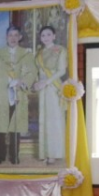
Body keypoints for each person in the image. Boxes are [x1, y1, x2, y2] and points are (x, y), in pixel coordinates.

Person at [0, 25, 37, 165]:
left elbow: (32, 72)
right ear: (6, 37)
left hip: (18, 93)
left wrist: (22, 81)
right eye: (10, 35)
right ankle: (0, 155)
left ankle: (14, 155)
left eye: (15, 35)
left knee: (16, 126)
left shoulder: (26, 54)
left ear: (20, 37)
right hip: (1, 94)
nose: (13, 38)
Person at [32, 25, 67, 165]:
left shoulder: (60, 50)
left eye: (48, 34)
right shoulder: (39, 53)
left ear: (54, 36)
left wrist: (46, 82)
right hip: (42, 87)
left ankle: (55, 153)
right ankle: (45, 152)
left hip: (53, 86)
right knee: (44, 120)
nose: (45, 38)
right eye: (43, 35)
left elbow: (61, 71)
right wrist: (36, 82)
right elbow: (36, 70)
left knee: (54, 120)